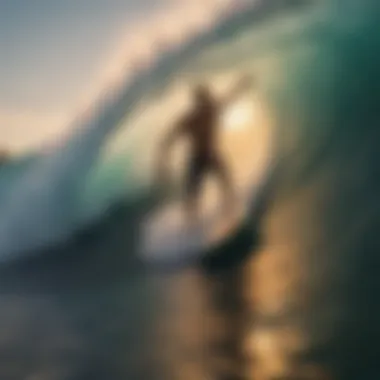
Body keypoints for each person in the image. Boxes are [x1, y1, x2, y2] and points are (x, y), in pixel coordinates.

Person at [157, 75, 254, 221]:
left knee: (226, 181)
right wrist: (163, 158)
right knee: (192, 195)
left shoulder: (212, 109)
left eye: (208, 98)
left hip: (212, 155)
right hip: (197, 160)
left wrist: (242, 85)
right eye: (205, 99)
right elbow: (171, 137)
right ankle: (190, 222)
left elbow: (229, 97)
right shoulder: (190, 119)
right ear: (199, 102)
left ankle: (231, 209)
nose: (209, 100)